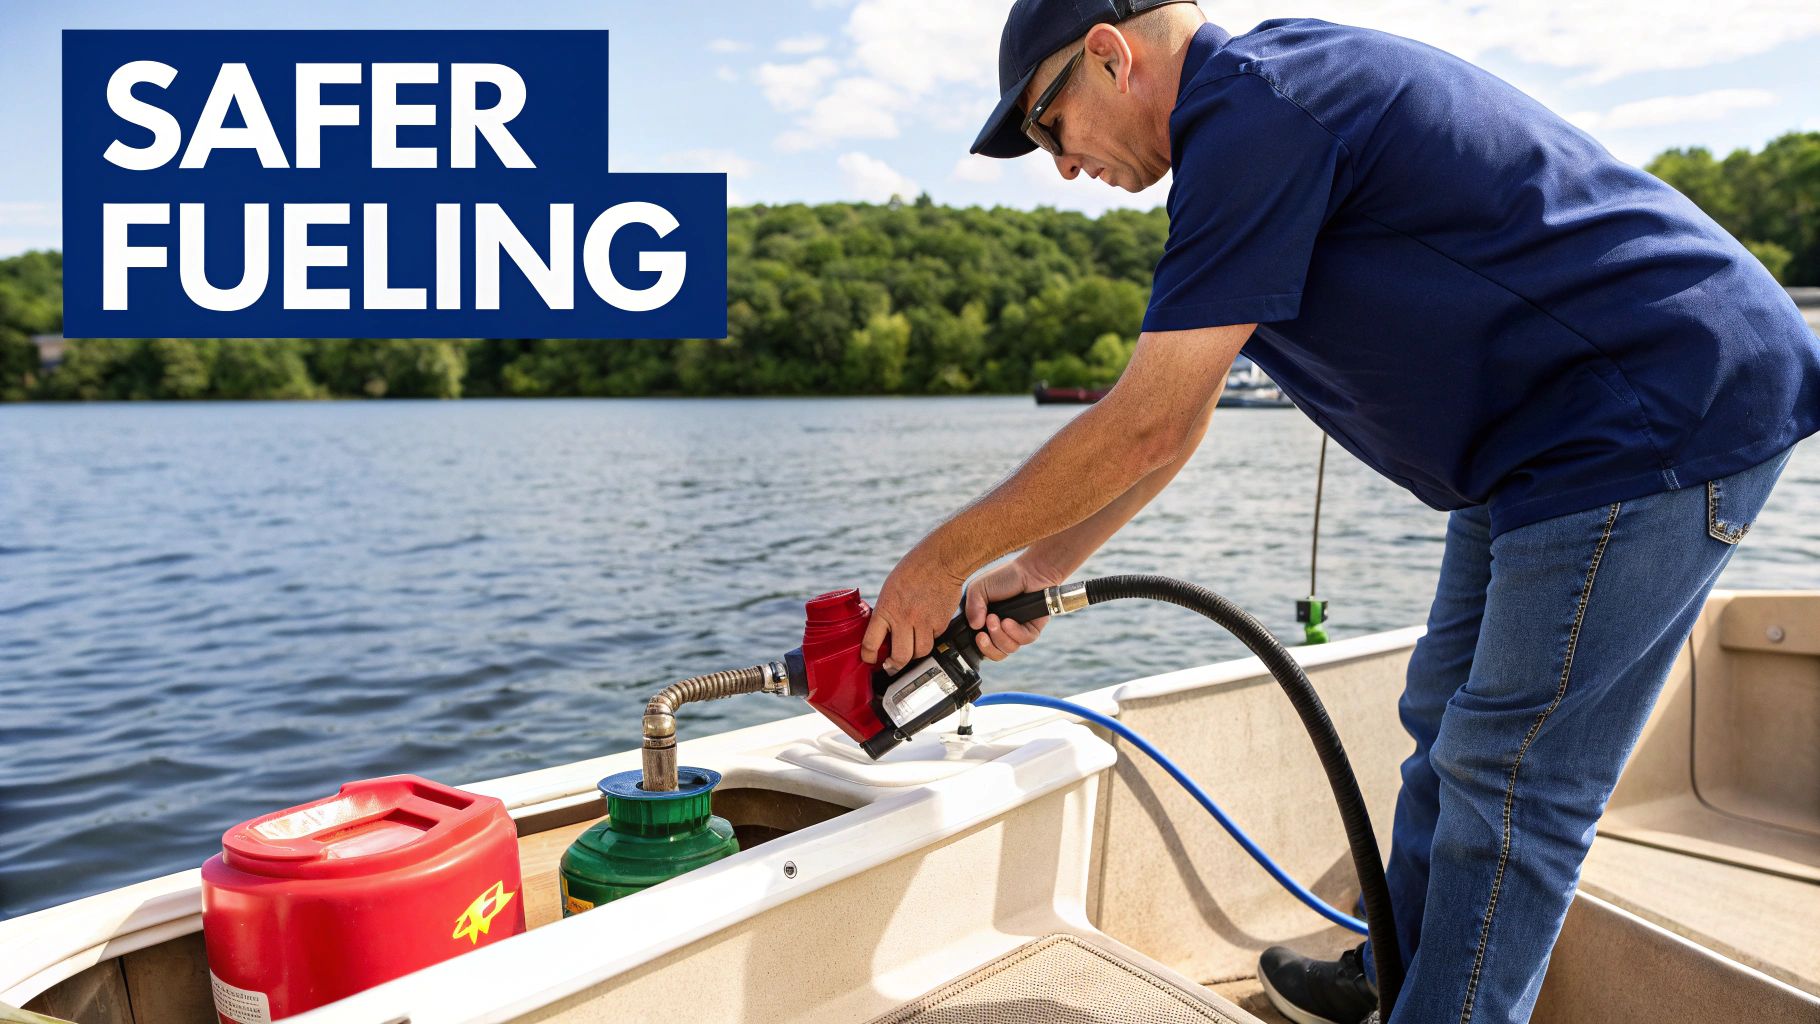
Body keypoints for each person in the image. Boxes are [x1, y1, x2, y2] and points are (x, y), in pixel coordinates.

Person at [856, 1, 1820, 1022]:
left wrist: (936, 561)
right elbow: (1175, 422)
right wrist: (1038, 565)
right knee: (1437, 716)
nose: (1059, 164)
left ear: (1108, 54)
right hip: (1537, 446)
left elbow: (1140, 424)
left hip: (1651, 410)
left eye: (1049, 126)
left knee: (1509, 781)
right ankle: (1396, 970)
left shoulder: (1258, 113)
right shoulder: (1245, 128)